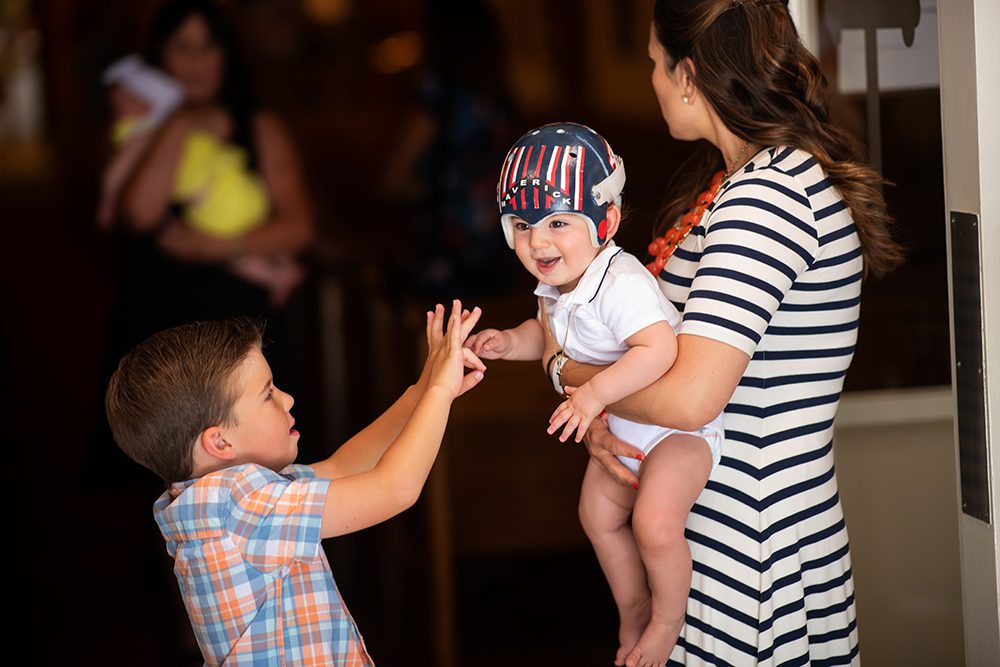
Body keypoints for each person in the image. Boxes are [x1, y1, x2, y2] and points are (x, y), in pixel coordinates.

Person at [552, 1, 903, 665]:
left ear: (689, 74)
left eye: (656, 64)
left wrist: (572, 379)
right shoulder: (748, 182)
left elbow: (690, 399)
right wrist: (605, 411)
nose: (652, 80)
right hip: (728, 534)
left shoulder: (767, 197)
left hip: (748, 548)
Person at [466, 122, 725, 667]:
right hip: (628, 429)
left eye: (559, 222)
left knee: (654, 524)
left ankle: (666, 621)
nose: (539, 241)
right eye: (522, 224)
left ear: (605, 221)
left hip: (678, 432)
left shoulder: (620, 283)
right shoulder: (557, 285)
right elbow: (548, 333)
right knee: (596, 513)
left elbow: (657, 352)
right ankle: (632, 608)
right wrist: (509, 341)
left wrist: (590, 396)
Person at [105, 301, 485, 665]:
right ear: (219, 441)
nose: (287, 399)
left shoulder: (229, 498)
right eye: (268, 394)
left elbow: (342, 467)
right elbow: (394, 489)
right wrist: (440, 393)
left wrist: (421, 391)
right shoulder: (237, 503)